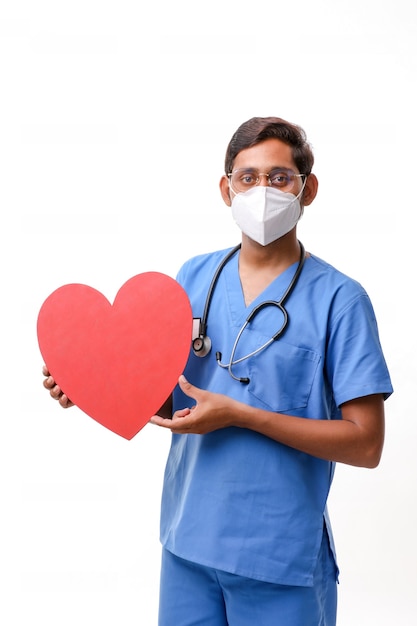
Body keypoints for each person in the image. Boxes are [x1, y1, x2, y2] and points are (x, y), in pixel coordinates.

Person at [43, 116, 393, 626]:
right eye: (247, 178)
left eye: (279, 177)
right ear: (226, 190)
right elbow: (175, 401)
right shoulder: (193, 278)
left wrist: (242, 415)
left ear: (307, 189)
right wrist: (94, 382)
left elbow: (366, 445)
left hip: (279, 558)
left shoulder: (341, 300)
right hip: (188, 543)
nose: (262, 191)